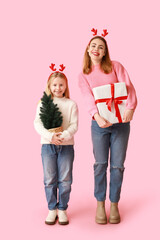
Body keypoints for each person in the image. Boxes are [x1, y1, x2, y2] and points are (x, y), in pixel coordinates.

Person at [78, 29, 137, 224]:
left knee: (118, 166)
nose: (96, 49)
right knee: (100, 165)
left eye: (101, 47)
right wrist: (97, 116)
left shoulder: (115, 66)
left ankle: (114, 204)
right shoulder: (84, 75)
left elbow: (128, 86)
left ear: (105, 52)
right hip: (99, 125)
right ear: (88, 49)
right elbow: (87, 98)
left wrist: (131, 108)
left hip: (121, 124)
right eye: (93, 45)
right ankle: (100, 204)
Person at [34, 65, 78, 225]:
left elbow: (74, 125)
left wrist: (63, 136)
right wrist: (51, 136)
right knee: (49, 179)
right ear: (49, 86)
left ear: (65, 86)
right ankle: (52, 209)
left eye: (61, 84)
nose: (58, 88)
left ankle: (62, 209)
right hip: (48, 146)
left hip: (66, 146)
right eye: (54, 85)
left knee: (65, 179)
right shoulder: (43, 103)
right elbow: (37, 123)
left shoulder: (71, 104)